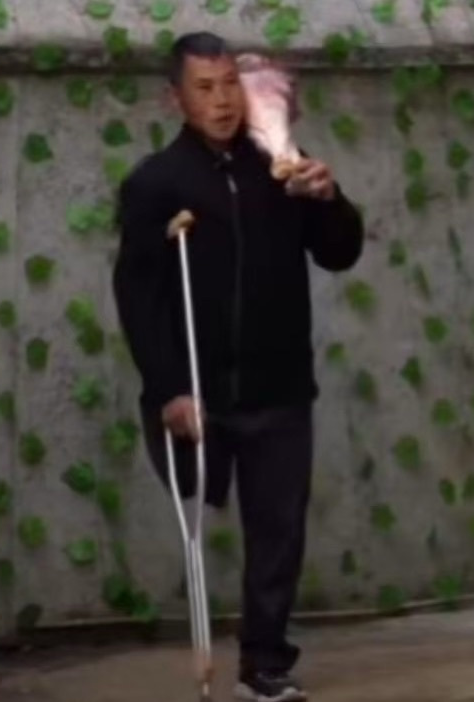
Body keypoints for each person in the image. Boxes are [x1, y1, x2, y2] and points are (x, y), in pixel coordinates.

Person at [112, 31, 364, 702]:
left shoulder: (282, 166)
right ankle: (215, 653)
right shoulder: (156, 183)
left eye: (230, 84)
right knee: (206, 505)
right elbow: (138, 292)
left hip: (279, 385)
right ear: (175, 98)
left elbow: (339, 252)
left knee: (279, 530)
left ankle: (265, 664)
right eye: (205, 88)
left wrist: (329, 198)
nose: (222, 101)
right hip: (199, 386)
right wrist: (168, 388)